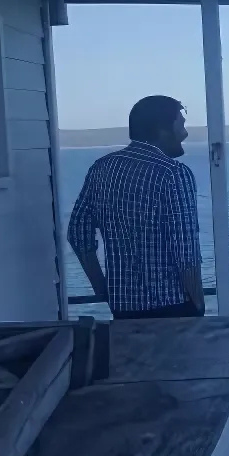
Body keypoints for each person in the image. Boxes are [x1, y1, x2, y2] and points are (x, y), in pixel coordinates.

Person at [68, 95, 205, 319]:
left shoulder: (102, 168)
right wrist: (198, 305)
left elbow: (77, 232)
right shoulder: (173, 173)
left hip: (122, 307)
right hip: (172, 306)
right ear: (162, 129)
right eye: (181, 125)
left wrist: (101, 287)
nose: (185, 133)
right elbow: (185, 250)